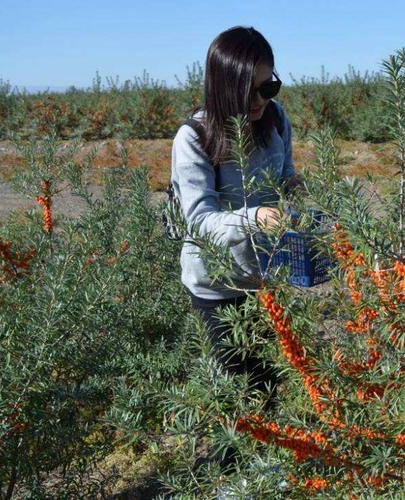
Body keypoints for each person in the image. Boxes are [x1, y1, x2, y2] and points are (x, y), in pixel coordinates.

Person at [169, 26, 300, 473]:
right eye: (250, 89)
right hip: (216, 283)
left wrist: (292, 190)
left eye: (270, 85)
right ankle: (232, 480)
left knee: (270, 382)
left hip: (265, 275)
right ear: (223, 87)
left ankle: (267, 473)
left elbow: (284, 176)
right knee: (234, 390)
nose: (261, 99)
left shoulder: (276, 120)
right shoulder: (193, 137)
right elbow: (200, 220)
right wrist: (254, 216)